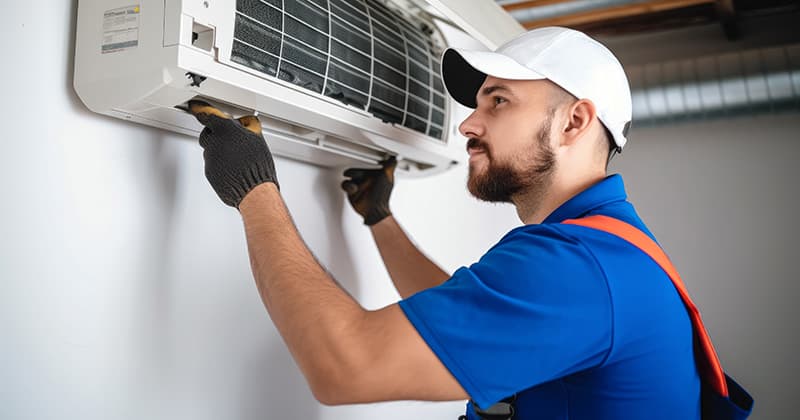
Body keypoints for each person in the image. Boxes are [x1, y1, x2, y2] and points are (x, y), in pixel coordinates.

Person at [187, 26, 701, 419]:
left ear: (574, 122)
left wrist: (255, 191)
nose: (468, 123)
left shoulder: (578, 267)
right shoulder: (605, 249)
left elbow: (345, 368)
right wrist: (379, 219)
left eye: (499, 100)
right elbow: (466, 314)